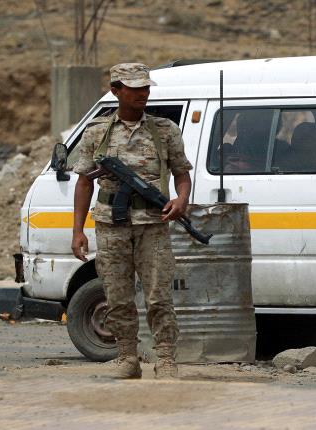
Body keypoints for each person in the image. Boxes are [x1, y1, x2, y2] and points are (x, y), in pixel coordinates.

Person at [71, 63, 193, 379]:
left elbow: (182, 175)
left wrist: (181, 201)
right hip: (111, 225)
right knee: (116, 294)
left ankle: (165, 358)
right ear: (116, 90)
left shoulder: (165, 130)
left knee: (158, 295)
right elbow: (84, 182)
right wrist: (78, 231)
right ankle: (127, 356)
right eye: (135, 88)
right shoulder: (96, 132)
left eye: (146, 88)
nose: (143, 94)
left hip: (153, 223)